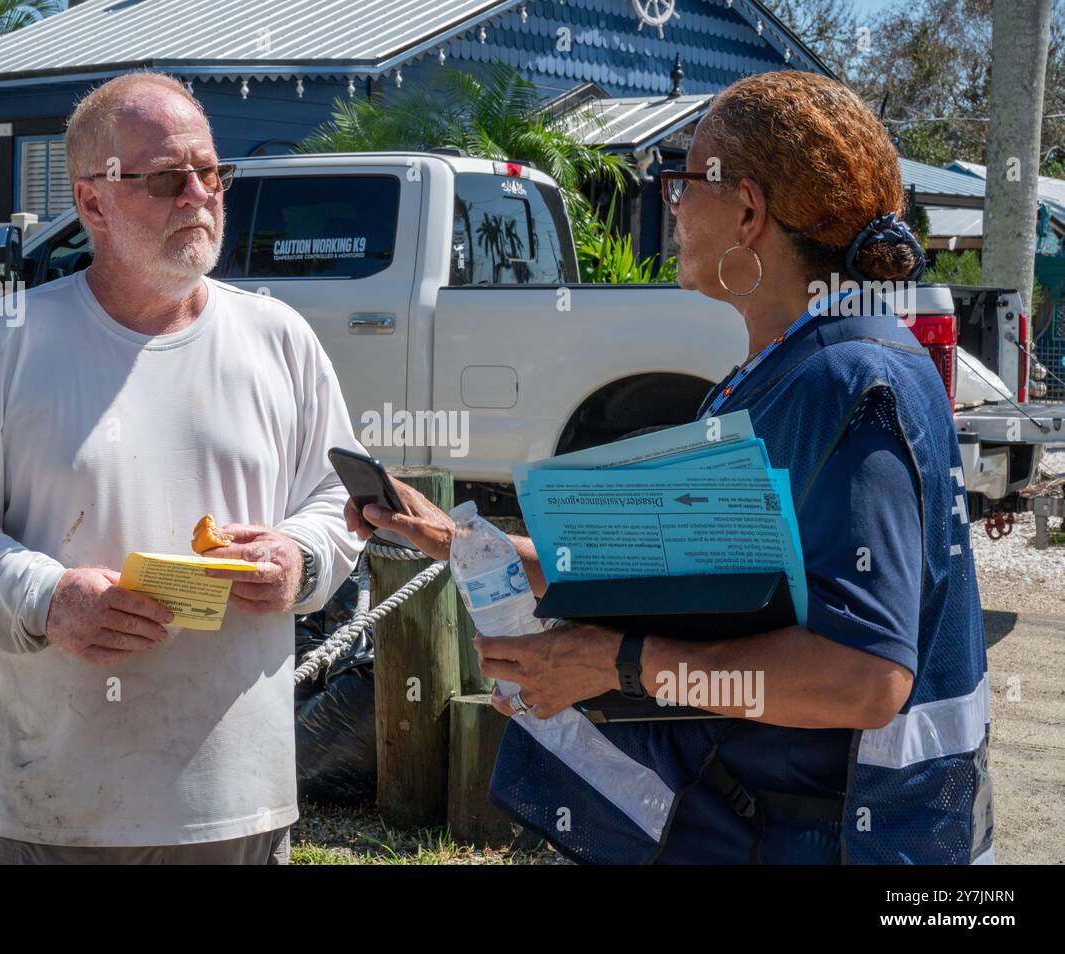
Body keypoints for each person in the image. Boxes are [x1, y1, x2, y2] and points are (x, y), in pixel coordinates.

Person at [347, 70, 992, 865]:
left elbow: (862, 680)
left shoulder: (847, 381)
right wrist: (457, 540)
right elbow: (686, 581)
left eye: (685, 180)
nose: (674, 205)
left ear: (749, 212)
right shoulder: (799, 367)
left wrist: (619, 664)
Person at [0, 71, 364, 864]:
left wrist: (301, 558)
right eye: (166, 178)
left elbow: (333, 496)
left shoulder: (278, 338)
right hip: (59, 810)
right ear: (92, 202)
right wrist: (48, 597)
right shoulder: (9, 342)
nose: (199, 195)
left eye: (211, 172)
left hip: (238, 804)